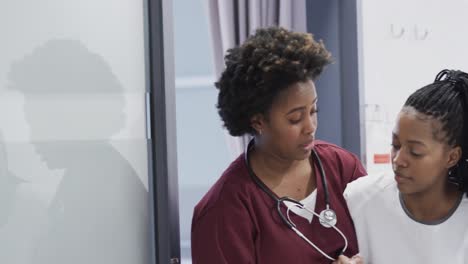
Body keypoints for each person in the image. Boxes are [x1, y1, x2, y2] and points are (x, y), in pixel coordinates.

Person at [191, 27, 366, 264]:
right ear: (258, 121)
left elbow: (382, 246)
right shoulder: (223, 211)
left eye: (313, 110)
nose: (310, 126)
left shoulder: (343, 168)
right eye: (295, 118)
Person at [344, 69, 468, 263]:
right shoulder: (359, 200)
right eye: (396, 145)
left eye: (415, 152)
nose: (398, 160)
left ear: (452, 157)